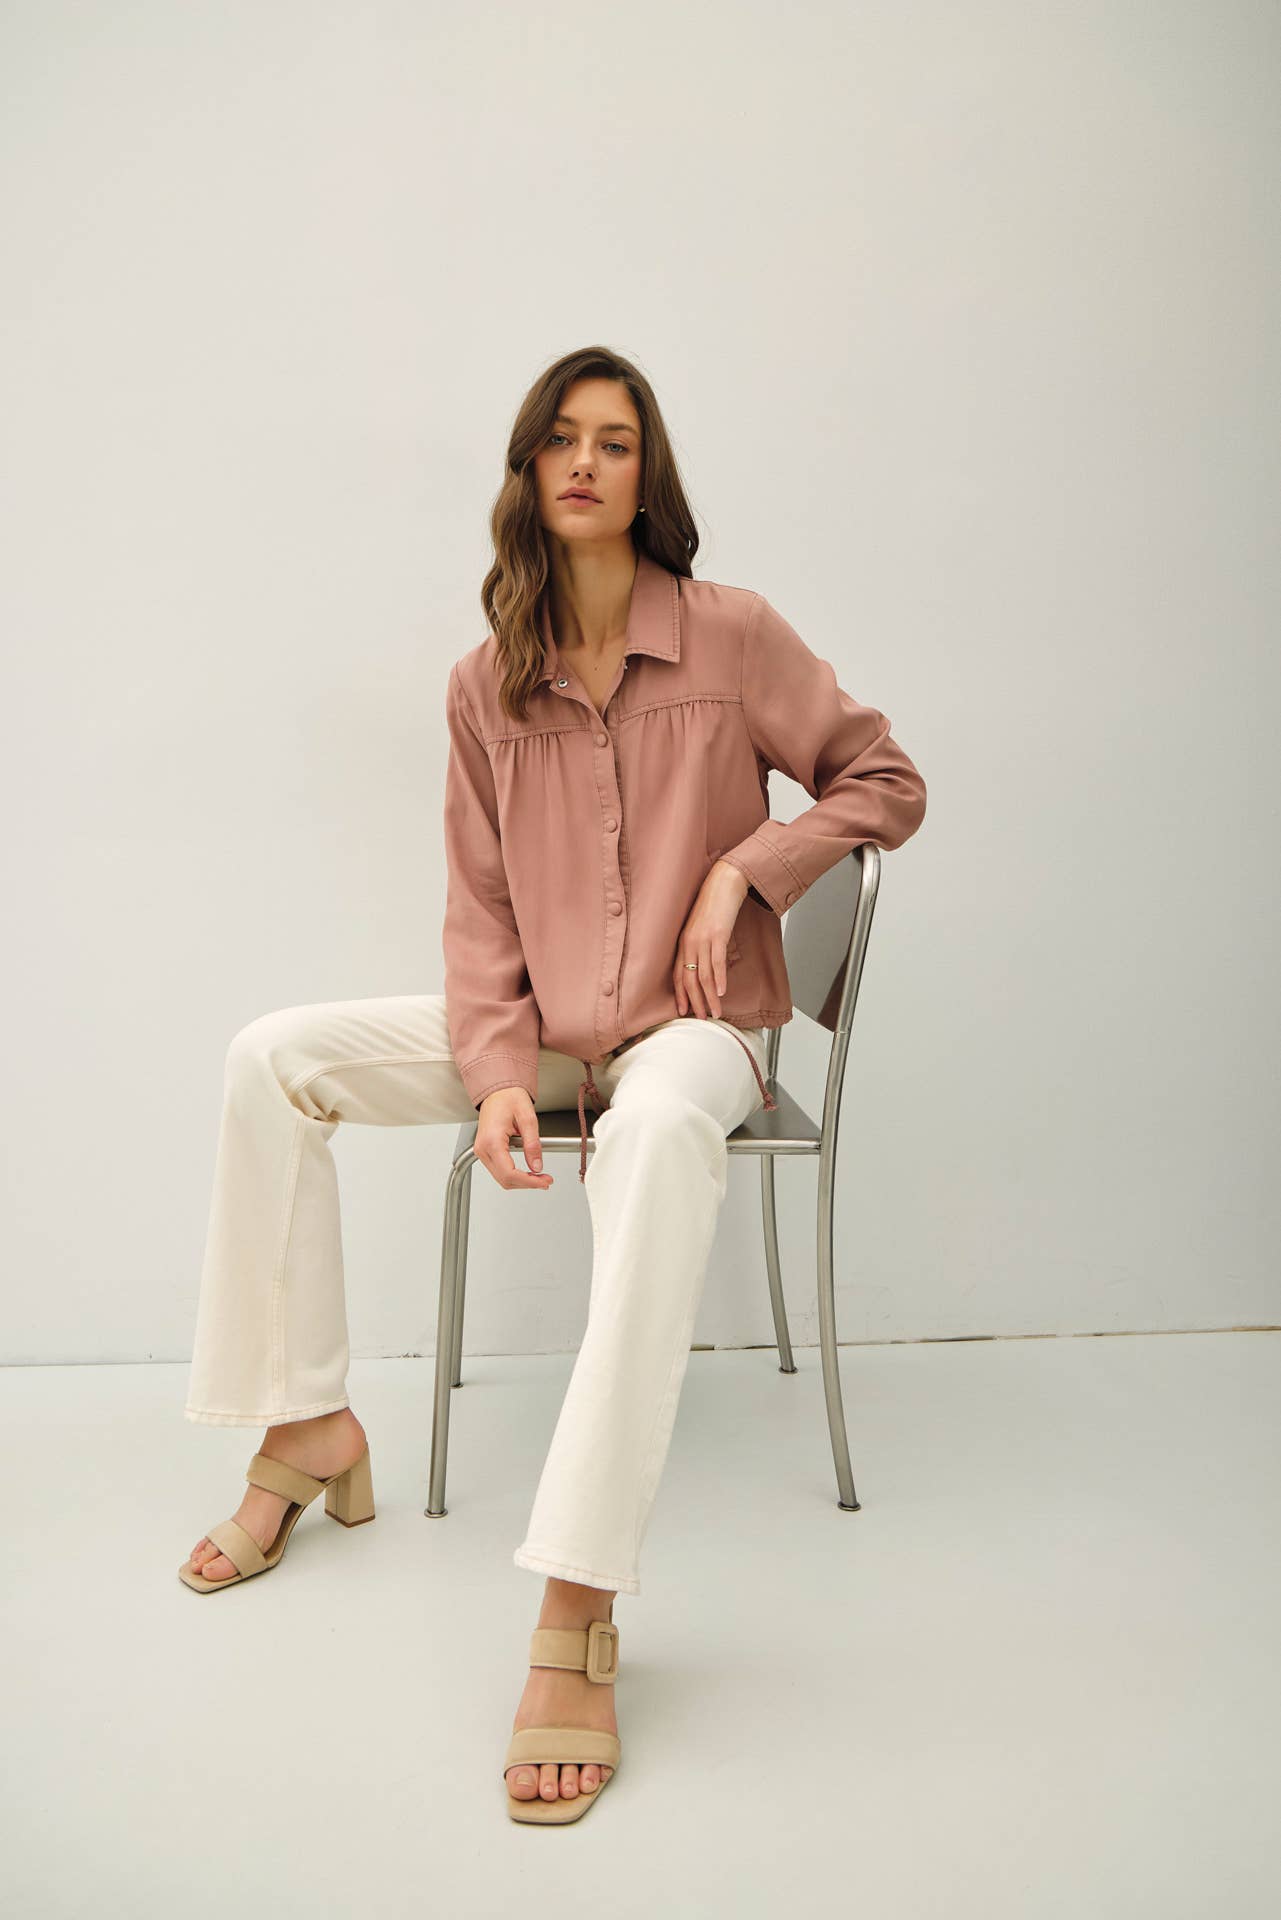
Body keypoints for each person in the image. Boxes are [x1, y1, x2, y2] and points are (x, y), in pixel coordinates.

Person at [177, 344, 928, 1822]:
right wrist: (497, 1068)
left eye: (617, 441)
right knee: (274, 1058)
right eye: (562, 439)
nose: (587, 462)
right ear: (529, 471)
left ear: (648, 478)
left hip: (695, 1030)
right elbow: (480, 913)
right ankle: (306, 1422)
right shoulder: (485, 686)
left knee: (652, 1132)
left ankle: (578, 1594)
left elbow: (884, 780)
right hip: (550, 1024)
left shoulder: (729, 635)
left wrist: (745, 868)